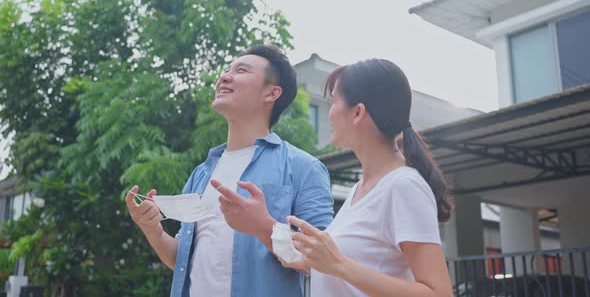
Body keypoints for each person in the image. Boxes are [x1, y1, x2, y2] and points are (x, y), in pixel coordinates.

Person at [125, 45, 334, 297]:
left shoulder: (304, 168)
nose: (224, 77)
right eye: (226, 70)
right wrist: (153, 230)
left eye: (241, 71)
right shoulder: (201, 174)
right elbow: (182, 261)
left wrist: (263, 225)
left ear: (271, 93)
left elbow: (323, 264)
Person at [286, 59, 453, 297]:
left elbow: (439, 294)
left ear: (358, 112)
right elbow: (359, 272)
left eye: (333, 101)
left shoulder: (403, 186)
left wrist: (339, 265)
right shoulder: (359, 189)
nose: (330, 113)